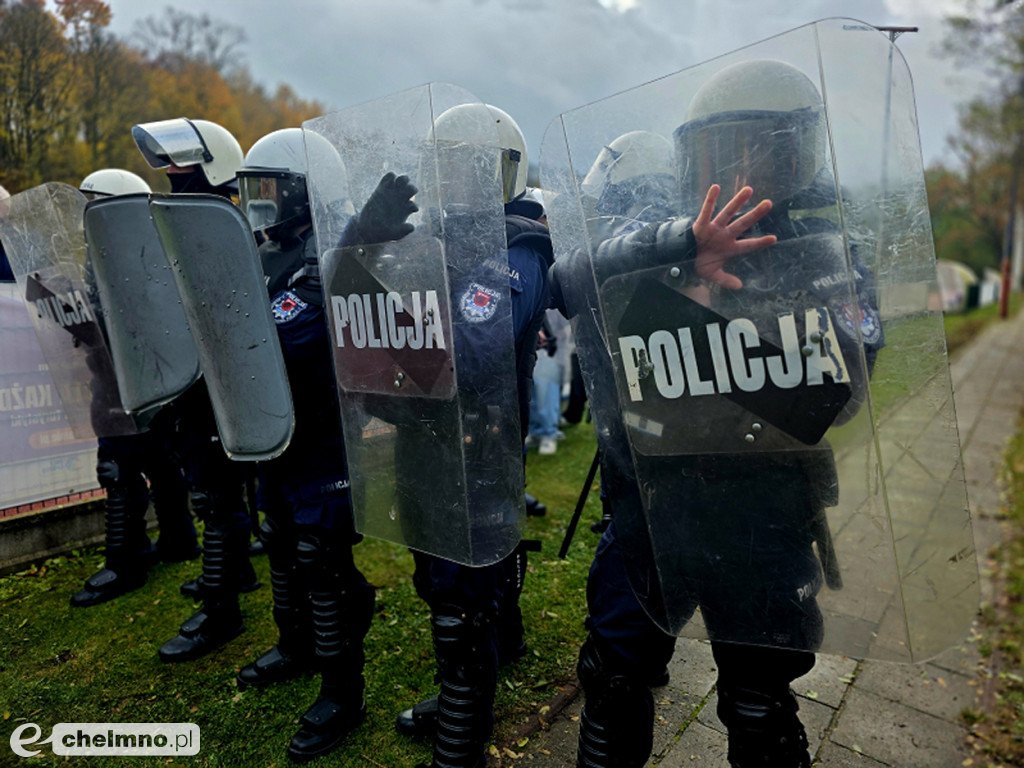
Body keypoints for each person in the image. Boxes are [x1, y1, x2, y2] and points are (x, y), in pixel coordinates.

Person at [549, 60, 883, 768]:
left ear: (797, 153)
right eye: (718, 152)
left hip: (764, 517)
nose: (737, 169)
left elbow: (838, 398)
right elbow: (568, 275)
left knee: (759, 704)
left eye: (757, 148)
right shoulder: (667, 235)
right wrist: (677, 253)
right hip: (653, 511)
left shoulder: (828, 256)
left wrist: (716, 333)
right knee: (610, 684)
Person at [231, 128, 375, 763]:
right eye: (252, 188)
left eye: (271, 189)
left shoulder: (333, 253)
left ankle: (343, 692)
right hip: (275, 433)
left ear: (306, 190)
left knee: (322, 559)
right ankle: (296, 646)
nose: (260, 203)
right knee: (280, 542)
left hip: (323, 437)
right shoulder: (267, 251)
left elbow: (287, 336)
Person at [131, 117, 260, 662]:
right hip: (191, 382)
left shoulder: (233, 225)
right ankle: (239, 573)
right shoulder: (190, 220)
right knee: (216, 494)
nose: (171, 173)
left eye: (181, 164)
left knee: (217, 497)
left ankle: (220, 609)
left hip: (223, 385)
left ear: (214, 165)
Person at [70, 168, 198, 607]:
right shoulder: (144, 251)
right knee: (162, 464)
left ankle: (125, 563)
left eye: (95, 204)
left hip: (126, 384)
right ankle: (179, 541)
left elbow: (123, 324)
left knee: (120, 469)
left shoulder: (122, 257)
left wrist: (82, 322)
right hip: (151, 383)